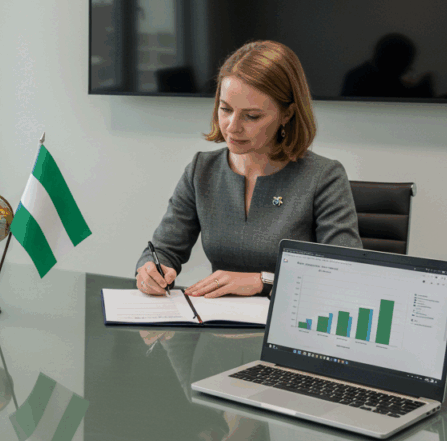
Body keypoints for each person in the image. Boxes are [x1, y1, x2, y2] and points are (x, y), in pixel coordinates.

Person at [136, 40, 362, 298]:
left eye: (251, 116)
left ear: (287, 114)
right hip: (217, 318)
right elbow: (162, 250)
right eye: (225, 109)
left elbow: (345, 272)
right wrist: (151, 271)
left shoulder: (324, 177)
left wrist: (264, 281)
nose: (232, 127)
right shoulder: (201, 170)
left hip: (288, 318)